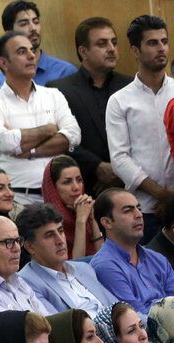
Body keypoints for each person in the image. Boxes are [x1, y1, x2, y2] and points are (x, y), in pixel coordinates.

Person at [0, 31, 82, 206]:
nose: (31, 56)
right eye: (21, 52)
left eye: (32, 50)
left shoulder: (54, 95)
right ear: (3, 63)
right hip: (20, 199)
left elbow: (73, 135)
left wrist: (31, 151)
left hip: (61, 197)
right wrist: (48, 130)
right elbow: (5, 142)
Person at [108, 15, 174, 244]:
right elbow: (119, 159)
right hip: (145, 208)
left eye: (164, 41)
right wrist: (162, 195)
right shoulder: (119, 101)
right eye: (152, 43)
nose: (161, 48)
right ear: (135, 51)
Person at [14, 203, 112, 318]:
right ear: (30, 247)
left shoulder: (84, 268)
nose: (60, 240)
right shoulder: (26, 283)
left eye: (60, 231)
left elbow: (117, 306)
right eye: (49, 235)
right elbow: (57, 326)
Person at [90, 189, 174, 315]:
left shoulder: (158, 259)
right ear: (107, 222)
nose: (139, 215)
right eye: (128, 210)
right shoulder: (105, 266)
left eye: (139, 208)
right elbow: (135, 317)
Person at [0, 1, 77, 91]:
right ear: (9, 33)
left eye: (36, 22)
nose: (33, 28)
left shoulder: (65, 72)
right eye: (24, 24)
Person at [0, 215, 48, 312]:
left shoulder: (18, 281)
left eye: (18, 241)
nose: (17, 248)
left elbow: (46, 319)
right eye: (8, 242)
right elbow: (10, 323)